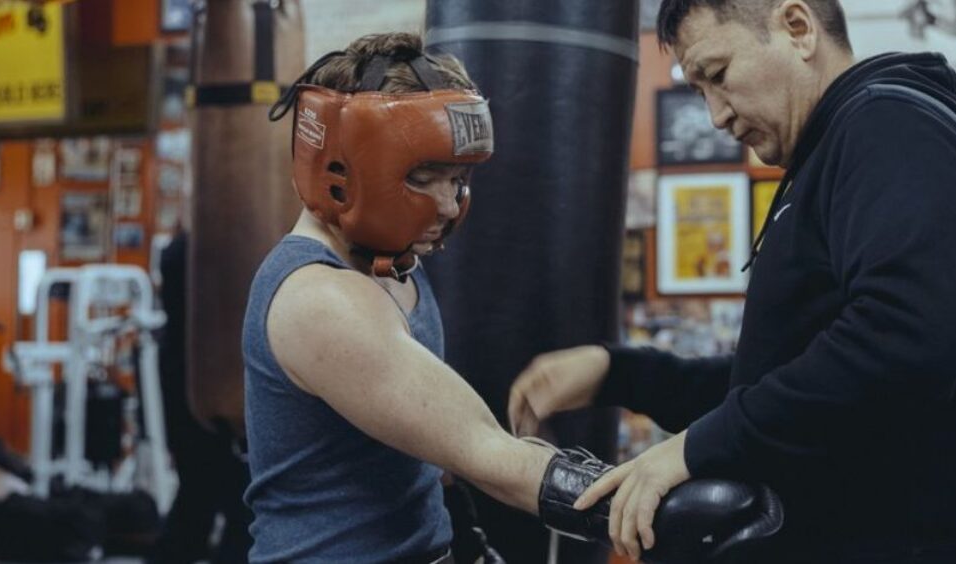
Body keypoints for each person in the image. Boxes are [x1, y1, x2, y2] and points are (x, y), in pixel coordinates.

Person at [506, 0, 956, 561]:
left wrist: (693, 450)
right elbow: (780, 386)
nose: (715, 115)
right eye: (699, 90)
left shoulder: (890, 128)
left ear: (797, 28)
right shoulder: (834, 150)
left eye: (718, 75)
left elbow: (904, 342)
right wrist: (620, 373)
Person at [245, 32, 780, 563]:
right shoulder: (321, 299)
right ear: (336, 167)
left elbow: (431, 452)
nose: (448, 205)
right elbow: (483, 449)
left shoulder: (395, 265)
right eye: (424, 177)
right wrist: (659, 508)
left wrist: (466, 539)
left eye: (457, 179)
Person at [151, 228, 254, 564]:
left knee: (201, 505)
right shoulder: (194, 253)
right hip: (204, 402)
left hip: (196, 399)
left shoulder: (188, 251)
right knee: (228, 510)